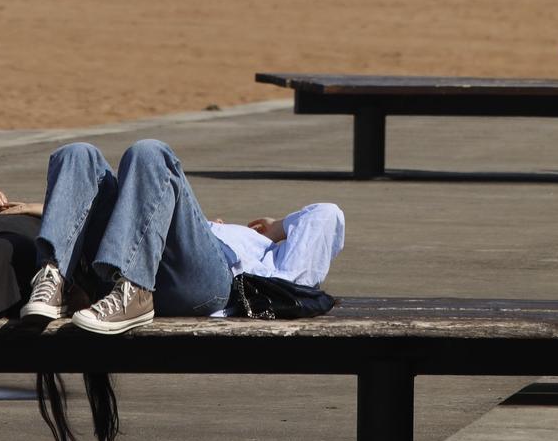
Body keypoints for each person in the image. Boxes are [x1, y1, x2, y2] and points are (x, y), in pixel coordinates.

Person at [18, 139, 345, 337]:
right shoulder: (216, 229)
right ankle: (54, 280)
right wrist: (39, 208)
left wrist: (278, 227)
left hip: (207, 287)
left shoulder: (277, 266)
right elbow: (134, 209)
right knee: (78, 154)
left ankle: (137, 291)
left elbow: (327, 215)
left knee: (151, 153)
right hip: (118, 275)